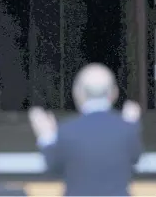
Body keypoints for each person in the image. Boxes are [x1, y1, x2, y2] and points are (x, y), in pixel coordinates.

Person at [29, 63, 143, 196]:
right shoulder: (126, 129)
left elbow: (54, 166)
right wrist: (131, 125)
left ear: (78, 92)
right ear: (113, 93)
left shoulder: (67, 130)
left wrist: (47, 137)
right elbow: (135, 157)